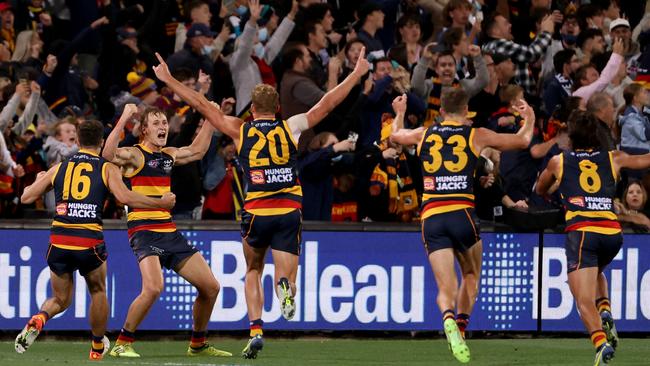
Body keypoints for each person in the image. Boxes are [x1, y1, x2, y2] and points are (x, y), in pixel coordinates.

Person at [152, 47, 370, 359]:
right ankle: (285, 289)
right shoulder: (290, 126)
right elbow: (327, 103)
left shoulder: (240, 129)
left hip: (256, 212)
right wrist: (355, 74)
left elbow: (200, 104)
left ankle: (256, 328)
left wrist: (169, 79)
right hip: (288, 210)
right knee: (287, 275)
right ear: (278, 107)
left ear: (252, 108)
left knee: (253, 270)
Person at [390, 88, 535, 363]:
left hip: (431, 216)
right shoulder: (476, 134)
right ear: (466, 112)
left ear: (441, 111)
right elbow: (523, 141)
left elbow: (395, 135)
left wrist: (398, 114)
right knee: (471, 273)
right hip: (462, 214)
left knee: (445, 288)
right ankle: (461, 327)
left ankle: (447, 319)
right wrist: (530, 118)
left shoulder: (423, 133)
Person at [14, 120, 175, 360]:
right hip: (88, 241)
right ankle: (98, 347)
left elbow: (26, 197)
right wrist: (160, 203)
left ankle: (41, 317)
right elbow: (126, 197)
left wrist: (39, 179)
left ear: (77, 141)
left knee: (60, 298)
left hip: (59, 240)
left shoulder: (60, 167)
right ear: (101, 143)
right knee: (98, 291)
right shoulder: (106, 167)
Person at [101, 105, 230, 358]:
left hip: (169, 231)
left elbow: (197, 150)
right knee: (153, 288)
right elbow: (107, 154)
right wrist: (125, 117)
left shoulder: (168, 155)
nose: (163, 126)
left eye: (164, 122)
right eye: (156, 123)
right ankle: (122, 343)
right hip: (144, 231)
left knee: (211, 287)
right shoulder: (135, 155)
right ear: (144, 130)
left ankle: (198, 344)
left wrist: (211, 118)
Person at [535, 111, 650, 365]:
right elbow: (644, 160)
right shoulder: (614, 157)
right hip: (611, 233)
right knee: (595, 270)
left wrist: (557, 185)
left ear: (570, 137)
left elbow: (539, 189)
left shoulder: (559, 161)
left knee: (582, 298)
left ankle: (600, 343)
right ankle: (606, 309)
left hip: (583, 232)